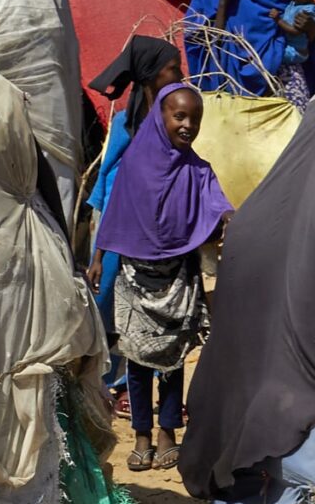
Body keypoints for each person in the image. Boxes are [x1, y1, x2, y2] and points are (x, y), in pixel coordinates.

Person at [89, 85, 231, 471]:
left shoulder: (197, 169)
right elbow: (115, 209)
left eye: (194, 119)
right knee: (136, 362)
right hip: (136, 274)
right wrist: (99, 257)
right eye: (179, 117)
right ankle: (141, 435)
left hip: (179, 275)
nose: (188, 126)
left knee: (172, 358)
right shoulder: (135, 164)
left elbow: (216, 202)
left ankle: (169, 431)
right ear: (160, 118)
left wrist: (227, 219)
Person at [82, 37, 185, 346]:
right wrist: (99, 252)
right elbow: (108, 178)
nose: (180, 76)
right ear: (152, 74)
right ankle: (106, 369)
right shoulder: (126, 124)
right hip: (119, 223)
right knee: (108, 290)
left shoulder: (176, 121)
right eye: (173, 69)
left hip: (156, 227)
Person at [184, 0, 315, 101]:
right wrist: (222, 3)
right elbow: (208, 41)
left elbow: (303, 41)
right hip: (228, 80)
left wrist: (309, 27)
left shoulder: (280, 2)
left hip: (272, 80)